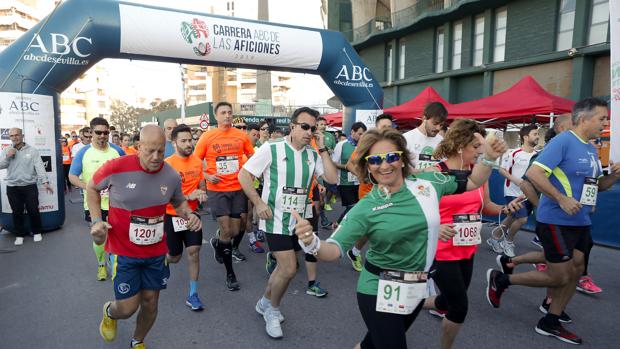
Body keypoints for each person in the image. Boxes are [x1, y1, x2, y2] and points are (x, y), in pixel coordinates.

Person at [294, 127, 506, 348]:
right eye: (375, 160)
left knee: (372, 344)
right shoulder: (366, 206)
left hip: (415, 286)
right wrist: (312, 242)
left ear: (403, 160)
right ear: (368, 166)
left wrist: (489, 157)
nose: (384, 165)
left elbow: (473, 182)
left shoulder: (429, 183)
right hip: (378, 288)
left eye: (391, 157)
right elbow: (334, 249)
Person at [486, 98, 620, 345]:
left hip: (581, 221)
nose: (605, 123)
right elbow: (534, 174)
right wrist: (561, 199)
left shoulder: (590, 148)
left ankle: (551, 320)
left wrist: (614, 177)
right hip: (556, 219)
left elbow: (597, 186)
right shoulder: (563, 142)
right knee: (559, 276)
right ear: (583, 118)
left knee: (576, 271)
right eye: (601, 118)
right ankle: (502, 279)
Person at [90, 125, 201, 349]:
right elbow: (92, 187)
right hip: (124, 251)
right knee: (128, 307)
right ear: (138, 146)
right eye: (150, 150)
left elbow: (178, 201)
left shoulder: (170, 174)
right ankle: (109, 312)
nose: (156, 157)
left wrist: (190, 215)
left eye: (161, 151)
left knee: (150, 303)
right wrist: (96, 221)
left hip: (155, 251)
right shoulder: (117, 167)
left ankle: (137, 340)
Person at [421, 119, 523, 349]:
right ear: (460, 145)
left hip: (466, 250)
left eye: (482, 147)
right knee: (459, 307)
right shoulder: (434, 173)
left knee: (447, 301)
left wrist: (506, 209)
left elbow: (486, 206)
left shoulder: (478, 174)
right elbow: (417, 212)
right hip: (441, 250)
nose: (480, 152)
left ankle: (413, 304)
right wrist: (435, 227)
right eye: (476, 147)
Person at [238, 106, 338, 339]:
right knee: (290, 268)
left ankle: (264, 302)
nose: (309, 132)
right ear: (292, 126)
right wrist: (258, 202)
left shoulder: (313, 154)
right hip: (275, 220)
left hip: (300, 222)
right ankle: (272, 310)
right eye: (304, 127)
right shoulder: (271, 148)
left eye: (313, 128)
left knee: (284, 269)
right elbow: (244, 175)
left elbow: (332, 179)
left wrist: (322, 147)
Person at [194, 101, 254, 291]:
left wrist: (251, 172)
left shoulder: (241, 136)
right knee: (226, 230)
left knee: (236, 230)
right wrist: (205, 175)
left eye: (229, 112)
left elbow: (252, 156)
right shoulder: (208, 136)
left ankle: (217, 242)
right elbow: (194, 162)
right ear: (216, 116)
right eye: (223, 113)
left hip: (237, 188)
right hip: (217, 190)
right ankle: (230, 274)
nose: (227, 115)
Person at [69, 117, 125, 280]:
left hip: (115, 203)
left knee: (116, 237)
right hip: (93, 204)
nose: (102, 135)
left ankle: (115, 267)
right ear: (91, 133)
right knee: (99, 236)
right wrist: (88, 187)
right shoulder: (84, 152)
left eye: (106, 132)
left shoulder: (117, 151)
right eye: (98, 132)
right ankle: (101, 264)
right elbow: (72, 176)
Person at [343, 113, 396, 272]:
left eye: (390, 126)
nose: (387, 129)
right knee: (377, 225)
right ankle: (378, 260)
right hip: (369, 192)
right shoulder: (369, 142)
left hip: (389, 190)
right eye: (384, 127)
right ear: (377, 127)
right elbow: (350, 164)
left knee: (377, 227)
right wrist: (363, 176)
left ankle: (355, 252)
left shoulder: (394, 144)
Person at [164, 124, 207, 311]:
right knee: (175, 256)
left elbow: (202, 186)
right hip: (172, 215)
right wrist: (187, 197)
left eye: (190, 140)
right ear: (174, 143)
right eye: (184, 141)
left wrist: (202, 194)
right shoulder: (167, 164)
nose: (189, 143)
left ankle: (193, 294)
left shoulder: (198, 162)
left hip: (192, 216)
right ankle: (164, 261)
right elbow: (163, 194)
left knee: (194, 252)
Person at [487, 124, 539, 257]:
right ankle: (508, 241)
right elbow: (501, 169)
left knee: (511, 217)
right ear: (525, 137)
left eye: (538, 134)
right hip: (512, 191)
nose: (538, 137)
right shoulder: (514, 153)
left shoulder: (538, 155)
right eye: (535, 134)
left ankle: (494, 238)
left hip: (529, 194)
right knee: (522, 219)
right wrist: (517, 181)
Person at [0, 128, 53, 245]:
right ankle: (19, 235)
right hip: (12, 186)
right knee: (16, 212)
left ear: (22, 135)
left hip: (29, 186)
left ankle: (37, 232)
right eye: (12, 136)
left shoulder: (32, 150)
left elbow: (39, 166)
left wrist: (45, 182)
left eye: (17, 135)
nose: (14, 137)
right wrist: (8, 156)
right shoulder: (7, 150)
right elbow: (1, 165)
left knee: (33, 210)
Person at [332, 122, 367, 224]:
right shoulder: (341, 145)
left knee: (358, 207)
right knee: (352, 207)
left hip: (359, 182)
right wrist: (347, 167)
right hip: (345, 182)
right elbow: (333, 163)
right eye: (360, 134)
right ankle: (338, 224)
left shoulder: (364, 146)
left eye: (363, 134)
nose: (362, 137)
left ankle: (350, 228)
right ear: (352, 132)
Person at [403, 102, 447, 171]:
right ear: (424, 119)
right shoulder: (406, 138)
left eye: (441, 125)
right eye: (435, 123)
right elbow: (401, 166)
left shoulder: (441, 141)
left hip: (437, 180)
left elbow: (445, 165)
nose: (438, 128)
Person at [244, 123, 265, 253]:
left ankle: (253, 238)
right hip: (242, 188)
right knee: (246, 217)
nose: (256, 137)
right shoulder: (240, 149)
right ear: (247, 134)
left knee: (252, 214)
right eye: (254, 135)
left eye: (258, 135)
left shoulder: (258, 150)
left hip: (256, 187)